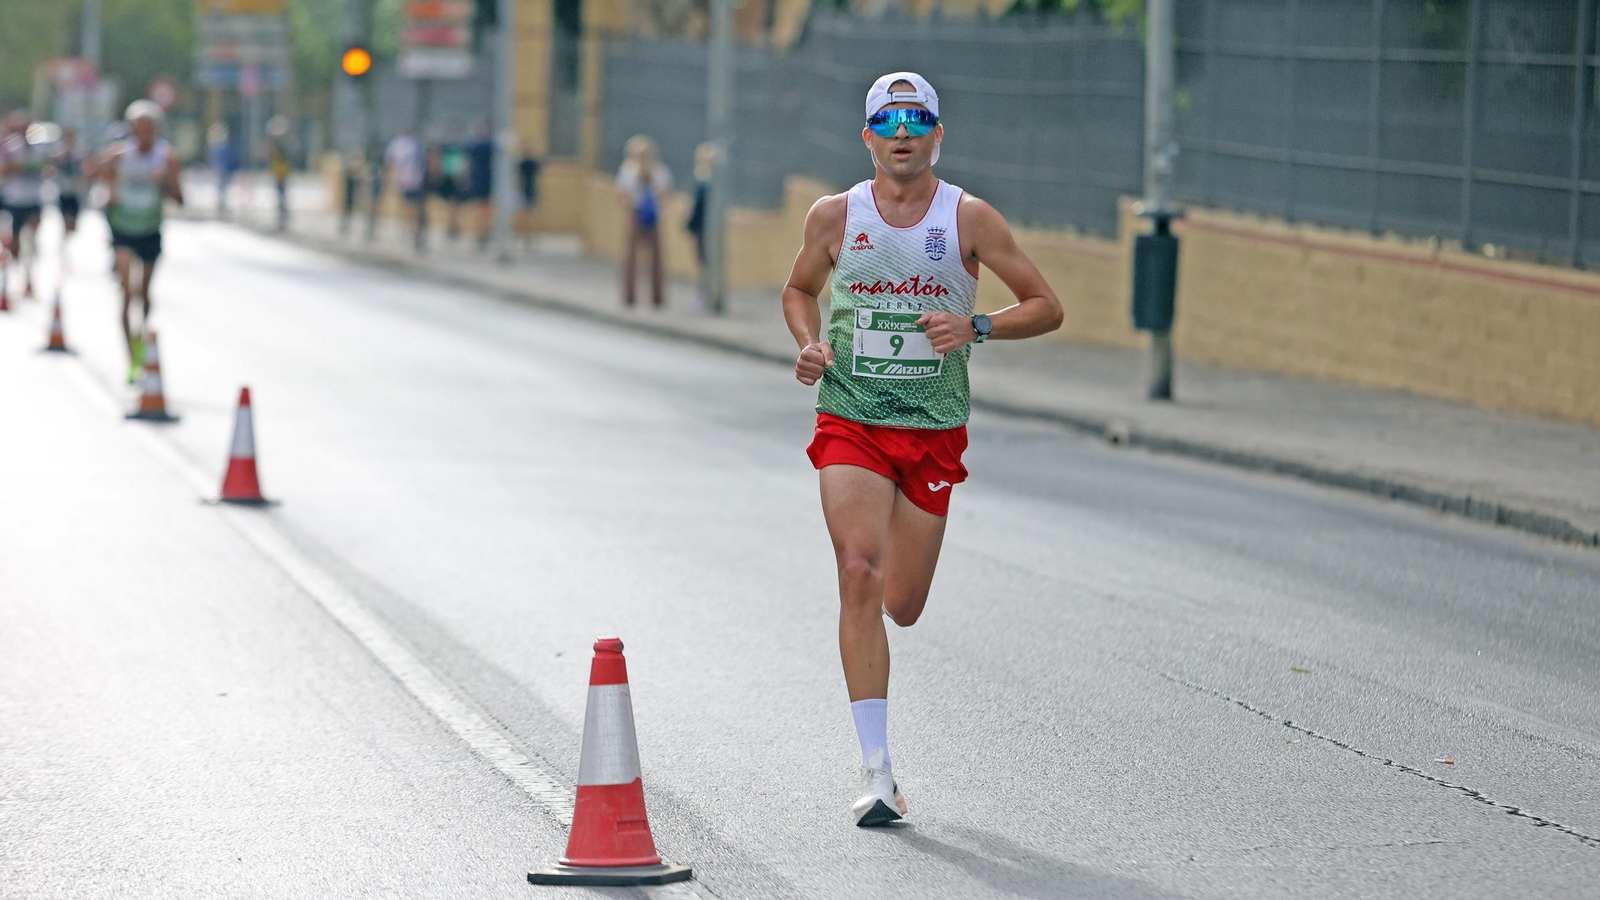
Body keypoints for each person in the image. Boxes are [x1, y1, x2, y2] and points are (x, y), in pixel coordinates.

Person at [780, 73, 1063, 827]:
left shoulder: (966, 217)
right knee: (858, 571)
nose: (902, 132)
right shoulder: (836, 215)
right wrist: (810, 346)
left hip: (933, 429)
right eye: (887, 120)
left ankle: (881, 760)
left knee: (901, 604)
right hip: (853, 415)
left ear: (938, 135)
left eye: (917, 119)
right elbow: (799, 289)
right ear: (867, 136)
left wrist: (978, 327)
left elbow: (1047, 306)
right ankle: (877, 771)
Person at [102, 100, 184, 383]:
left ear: (157, 129)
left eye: (149, 128)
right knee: (126, 293)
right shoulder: (118, 155)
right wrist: (109, 191)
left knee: (143, 293)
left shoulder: (167, 157)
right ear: (131, 129)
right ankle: (131, 357)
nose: (144, 133)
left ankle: (142, 331)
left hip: (149, 229)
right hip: (123, 228)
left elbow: (180, 199)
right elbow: (101, 183)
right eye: (139, 128)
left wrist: (164, 183)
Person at [0, 113, 55, 299]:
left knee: (31, 239)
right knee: (13, 243)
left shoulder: (40, 148)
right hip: (14, 201)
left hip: (34, 200)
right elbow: (5, 171)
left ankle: (29, 278)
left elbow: (50, 169)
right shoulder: (10, 147)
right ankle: (12, 274)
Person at [615, 135, 671, 309]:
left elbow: (622, 193)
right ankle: (644, 297)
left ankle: (644, 297)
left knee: (645, 257)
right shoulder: (636, 170)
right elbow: (666, 193)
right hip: (643, 213)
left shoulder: (651, 171)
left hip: (642, 213)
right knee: (639, 257)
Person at [383, 129, 426, 250]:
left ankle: (409, 227)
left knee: (411, 204)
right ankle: (404, 226)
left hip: (411, 178)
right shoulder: (399, 144)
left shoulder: (414, 145)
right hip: (404, 178)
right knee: (406, 204)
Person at [685, 142, 715, 312]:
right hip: (704, 228)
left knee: (705, 263)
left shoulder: (705, 182)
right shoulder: (707, 181)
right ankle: (704, 296)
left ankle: (705, 298)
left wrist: (691, 225)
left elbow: (697, 208)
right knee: (704, 263)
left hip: (704, 229)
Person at [54, 127, 89, 239]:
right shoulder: (59, 150)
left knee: (74, 218)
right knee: (65, 215)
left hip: (76, 190)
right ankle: (65, 234)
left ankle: (70, 233)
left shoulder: (80, 150)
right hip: (63, 189)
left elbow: (86, 167)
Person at [464, 122, 494, 250]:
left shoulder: (489, 145)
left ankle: (484, 233)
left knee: (487, 209)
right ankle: (479, 233)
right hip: (478, 180)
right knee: (478, 208)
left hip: (488, 180)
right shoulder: (478, 145)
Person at [207, 124, 237, 218]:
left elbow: (226, 159)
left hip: (222, 169)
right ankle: (221, 204)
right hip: (219, 169)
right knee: (220, 188)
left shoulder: (222, 146)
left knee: (223, 188)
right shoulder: (215, 147)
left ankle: (222, 204)